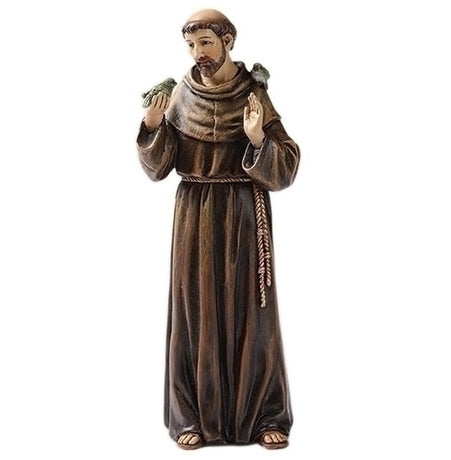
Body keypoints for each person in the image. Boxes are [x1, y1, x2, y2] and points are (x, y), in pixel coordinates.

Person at [137, 9, 300, 450]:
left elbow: (286, 165)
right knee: (194, 312)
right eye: (191, 45)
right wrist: (152, 128)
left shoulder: (253, 95)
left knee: (252, 313)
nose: (198, 53)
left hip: (243, 210)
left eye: (206, 43)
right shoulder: (179, 96)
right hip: (193, 214)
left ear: (228, 41)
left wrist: (258, 139)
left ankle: (263, 415)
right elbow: (157, 168)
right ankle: (192, 417)